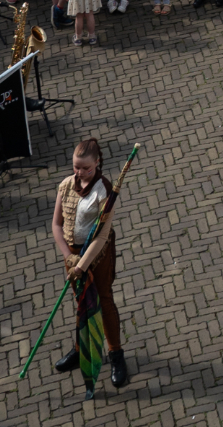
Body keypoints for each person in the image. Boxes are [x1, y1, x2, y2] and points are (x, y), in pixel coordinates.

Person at [51, 137, 130, 394]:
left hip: (97, 255)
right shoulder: (65, 185)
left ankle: (116, 355)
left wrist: (81, 266)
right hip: (73, 258)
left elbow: (102, 235)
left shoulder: (104, 191)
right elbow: (57, 225)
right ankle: (80, 350)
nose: (80, 172)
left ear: (97, 163)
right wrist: (69, 257)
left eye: (86, 168)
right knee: (82, 302)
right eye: (76, 167)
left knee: (103, 300)